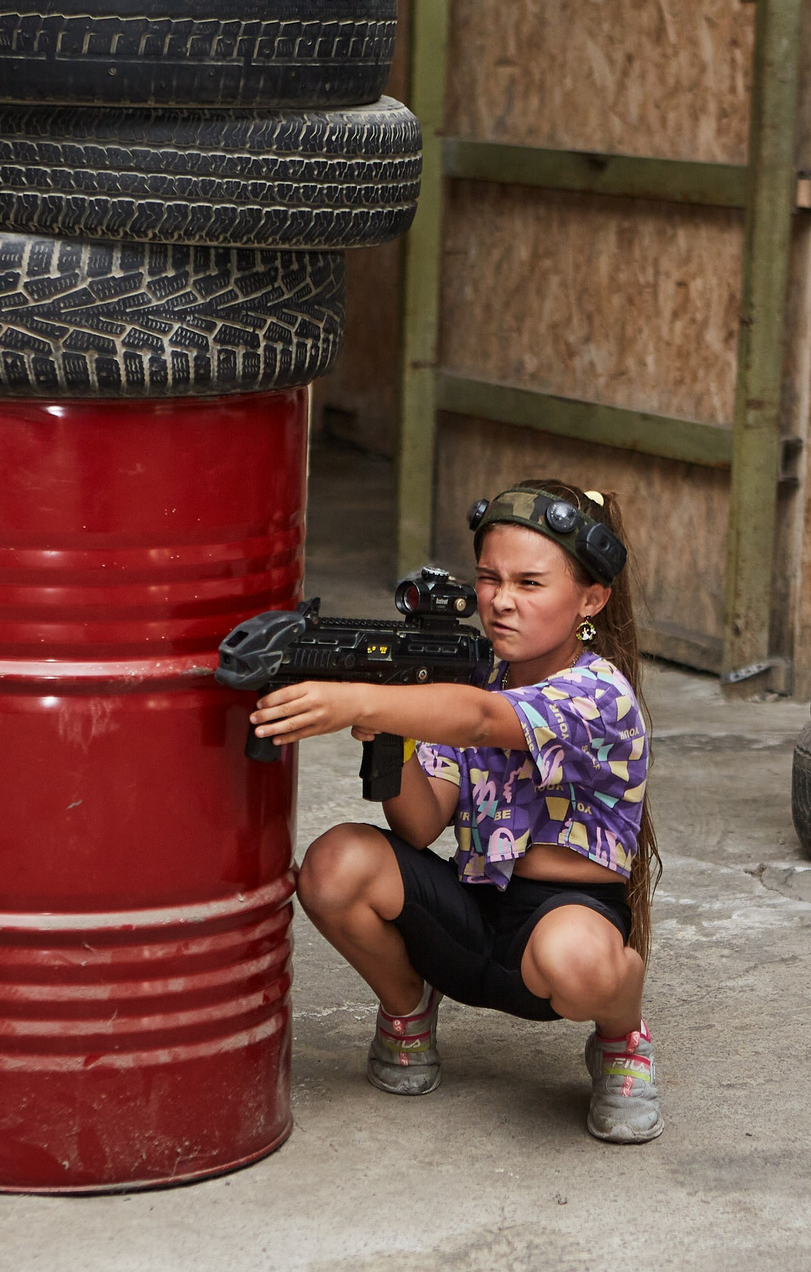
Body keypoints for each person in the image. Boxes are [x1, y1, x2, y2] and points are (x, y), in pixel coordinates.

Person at [254, 480, 662, 1143]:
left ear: (590, 599)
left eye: (530, 583)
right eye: (489, 578)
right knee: (334, 866)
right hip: (468, 918)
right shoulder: (472, 680)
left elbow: (478, 722)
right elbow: (419, 824)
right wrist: (391, 732)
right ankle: (410, 1009)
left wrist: (359, 701)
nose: (501, 600)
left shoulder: (597, 694)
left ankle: (622, 1037)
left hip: (561, 923)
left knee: (580, 962)